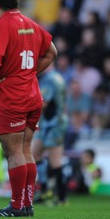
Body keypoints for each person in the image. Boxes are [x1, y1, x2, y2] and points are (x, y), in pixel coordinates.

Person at [0, 0, 57, 217]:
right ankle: (26, 204)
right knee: (25, 150)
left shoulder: (1, 26)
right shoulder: (31, 24)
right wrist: (29, 73)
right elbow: (52, 52)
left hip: (11, 98)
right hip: (33, 96)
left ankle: (17, 205)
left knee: (14, 151)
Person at [32, 63, 69, 206]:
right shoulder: (54, 78)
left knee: (55, 161)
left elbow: (43, 103)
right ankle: (45, 190)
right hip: (47, 123)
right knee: (35, 154)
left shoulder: (51, 79)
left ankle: (62, 197)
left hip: (55, 124)